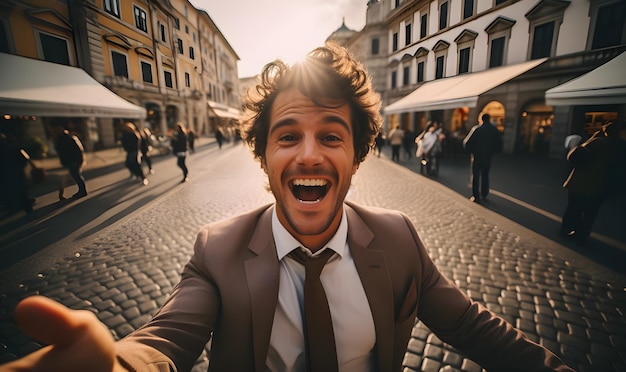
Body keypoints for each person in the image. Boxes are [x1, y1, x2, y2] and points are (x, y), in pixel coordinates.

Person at [2, 43, 573, 372]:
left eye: (331, 136)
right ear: (263, 154)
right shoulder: (217, 249)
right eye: (287, 136)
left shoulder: (399, 238)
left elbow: (473, 327)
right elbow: (166, 339)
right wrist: (122, 368)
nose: (308, 156)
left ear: (356, 156)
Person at [559, 120, 626, 244]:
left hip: (584, 182)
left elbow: (573, 156)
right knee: (588, 212)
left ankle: (570, 231)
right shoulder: (613, 145)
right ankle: (580, 234)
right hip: (597, 184)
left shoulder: (598, 141)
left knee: (575, 208)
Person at [463, 113, 502, 203]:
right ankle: (484, 194)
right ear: (489, 119)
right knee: (485, 175)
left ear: (481, 119)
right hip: (488, 157)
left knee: (475, 176)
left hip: (477, 157)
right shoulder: (494, 130)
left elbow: (466, 143)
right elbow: (499, 144)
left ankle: (476, 196)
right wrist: (492, 152)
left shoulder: (477, 129)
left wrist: (471, 151)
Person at [50, 125, 87, 199]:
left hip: (72, 160)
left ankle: (82, 191)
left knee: (76, 176)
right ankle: (82, 191)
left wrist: (76, 160)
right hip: (72, 160)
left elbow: (70, 151)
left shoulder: (64, 139)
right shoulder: (65, 138)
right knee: (76, 176)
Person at [0, 133, 33, 215]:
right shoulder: (13, 147)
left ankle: (12, 207)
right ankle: (26, 205)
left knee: (7, 191)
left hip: (3, 174)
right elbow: (25, 158)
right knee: (21, 189)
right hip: (17, 172)